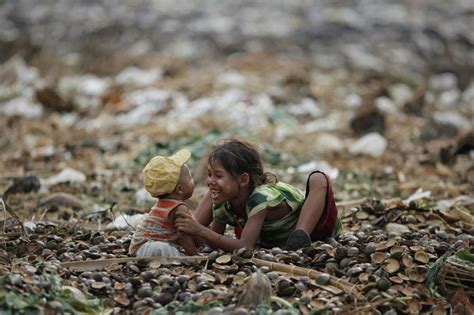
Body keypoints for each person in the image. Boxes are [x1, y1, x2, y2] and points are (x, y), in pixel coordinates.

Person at [175, 138, 341, 252]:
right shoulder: (223, 202)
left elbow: (245, 246)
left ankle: (300, 235)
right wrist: (190, 231)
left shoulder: (260, 198)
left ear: (243, 180)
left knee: (318, 178)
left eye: (218, 175)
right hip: (269, 238)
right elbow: (213, 243)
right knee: (211, 195)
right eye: (209, 174)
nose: (210, 180)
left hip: (316, 227)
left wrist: (200, 230)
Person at [129, 149, 198, 257]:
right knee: (166, 250)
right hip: (151, 248)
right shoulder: (179, 207)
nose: (193, 181)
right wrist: (196, 256)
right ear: (180, 189)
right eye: (190, 178)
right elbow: (184, 236)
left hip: (138, 246)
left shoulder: (162, 203)